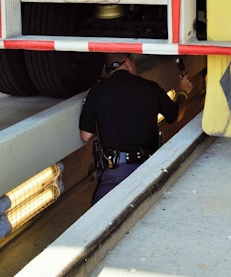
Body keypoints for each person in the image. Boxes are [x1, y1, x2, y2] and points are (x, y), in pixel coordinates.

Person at [79, 52, 193, 204]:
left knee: (98, 223)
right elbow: (176, 115)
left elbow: (85, 135)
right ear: (128, 61)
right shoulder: (150, 88)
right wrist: (183, 92)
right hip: (147, 171)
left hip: (114, 174)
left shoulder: (98, 90)